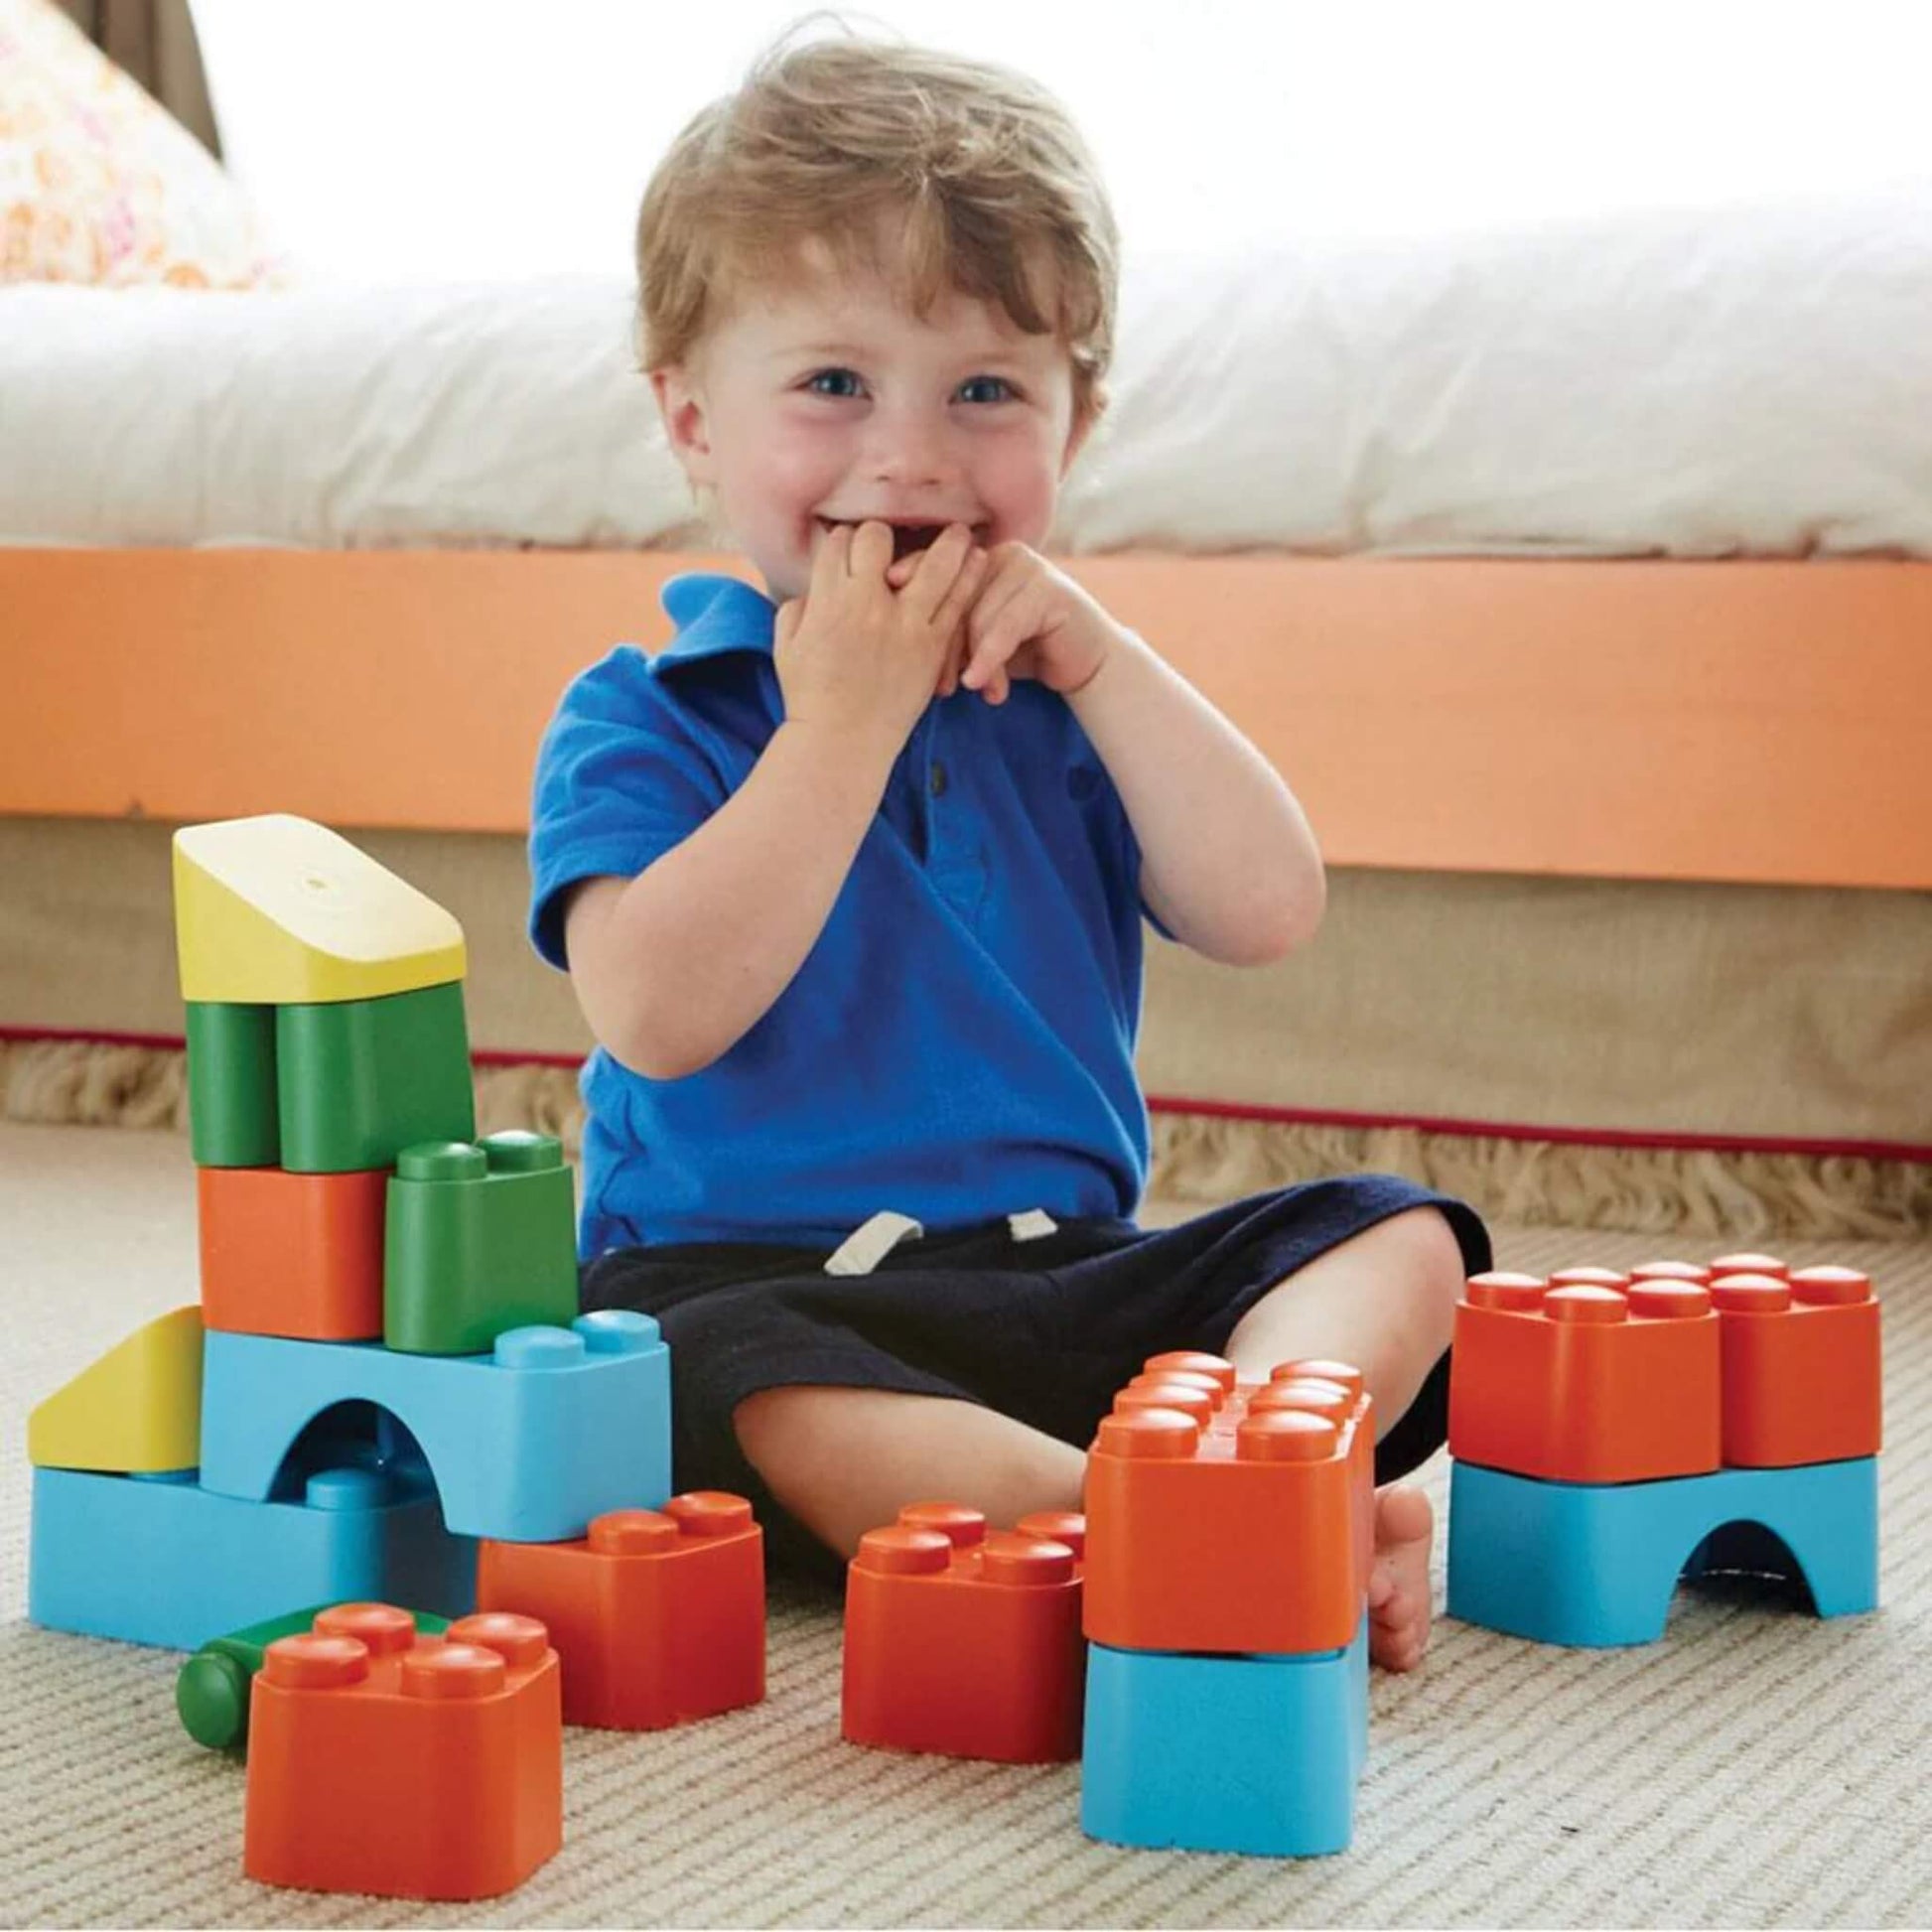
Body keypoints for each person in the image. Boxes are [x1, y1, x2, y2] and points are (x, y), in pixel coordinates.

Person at [528, 24, 1491, 1671]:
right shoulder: (644, 715)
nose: (908, 456)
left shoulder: (1063, 701)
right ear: (692, 423)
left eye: (984, 392)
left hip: (1069, 1279)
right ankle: (1153, 1526)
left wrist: (1106, 664)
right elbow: (656, 1013)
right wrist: (834, 726)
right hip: (773, 1290)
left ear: (1075, 420)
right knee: (684, 1370)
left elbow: (1265, 908)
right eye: (832, 385)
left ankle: (1252, 1462)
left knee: (1396, 1232)